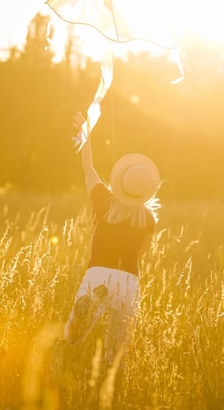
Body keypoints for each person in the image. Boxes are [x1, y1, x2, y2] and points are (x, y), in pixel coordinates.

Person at [64, 112, 162, 367]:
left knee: (72, 337)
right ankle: (108, 379)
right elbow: (140, 255)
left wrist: (85, 135)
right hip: (128, 279)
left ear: (121, 180)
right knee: (117, 347)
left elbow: (89, 169)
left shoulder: (104, 200)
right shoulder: (148, 218)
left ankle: (82, 316)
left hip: (98, 273)